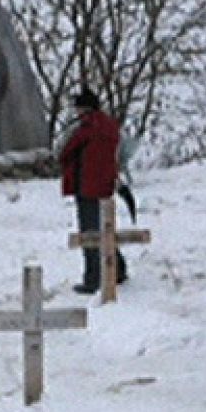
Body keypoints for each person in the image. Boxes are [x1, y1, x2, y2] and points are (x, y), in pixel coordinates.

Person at [58, 88, 128, 294]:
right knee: (105, 230)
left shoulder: (86, 127)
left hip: (86, 186)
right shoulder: (110, 126)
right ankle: (118, 270)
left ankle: (93, 279)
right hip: (105, 186)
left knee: (90, 234)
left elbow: (66, 151)